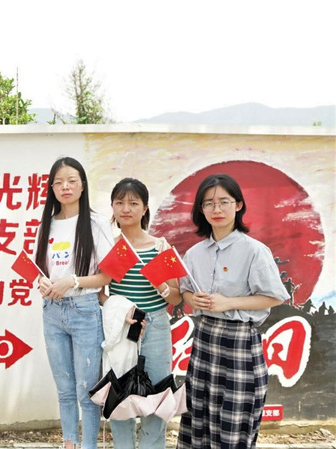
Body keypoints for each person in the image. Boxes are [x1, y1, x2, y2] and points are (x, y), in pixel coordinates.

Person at [177, 173, 288, 449]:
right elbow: (185, 292)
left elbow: (274, 297)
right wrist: (194, 299)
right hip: (204, 342)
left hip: (239, 343)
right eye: (209, 203)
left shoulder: (254, 251)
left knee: (234, 424)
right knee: (198, 418)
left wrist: (229, 302)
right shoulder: (194, 253)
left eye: (224, 202)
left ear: (238, 205)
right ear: (201, 209)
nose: (216, 209)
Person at [35, 157, 114, 449]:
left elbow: (108, 274)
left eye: (71, 181)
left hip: (85, 310)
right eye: (58, 182)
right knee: (65, 389)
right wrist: (42, 283)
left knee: (86, 391)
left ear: (82, 185)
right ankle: (69, 443)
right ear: (51, 188)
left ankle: (88, 446)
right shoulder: (47, 224)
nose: (65, 187)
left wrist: (73, 281)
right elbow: (39, 271)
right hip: (52, 312)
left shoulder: (96, 223)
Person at [106, 178, 182, 448]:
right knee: (120, 396)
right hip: (122, 328)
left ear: (145, 208)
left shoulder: (161, 247)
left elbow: (176, 296)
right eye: (119, 203)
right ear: (113, 207)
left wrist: (161, 286)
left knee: (158, 396)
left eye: (133, 203)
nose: (126, 209)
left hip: (156, 326)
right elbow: (99, 293)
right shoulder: (109, 246)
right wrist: (121, 311)